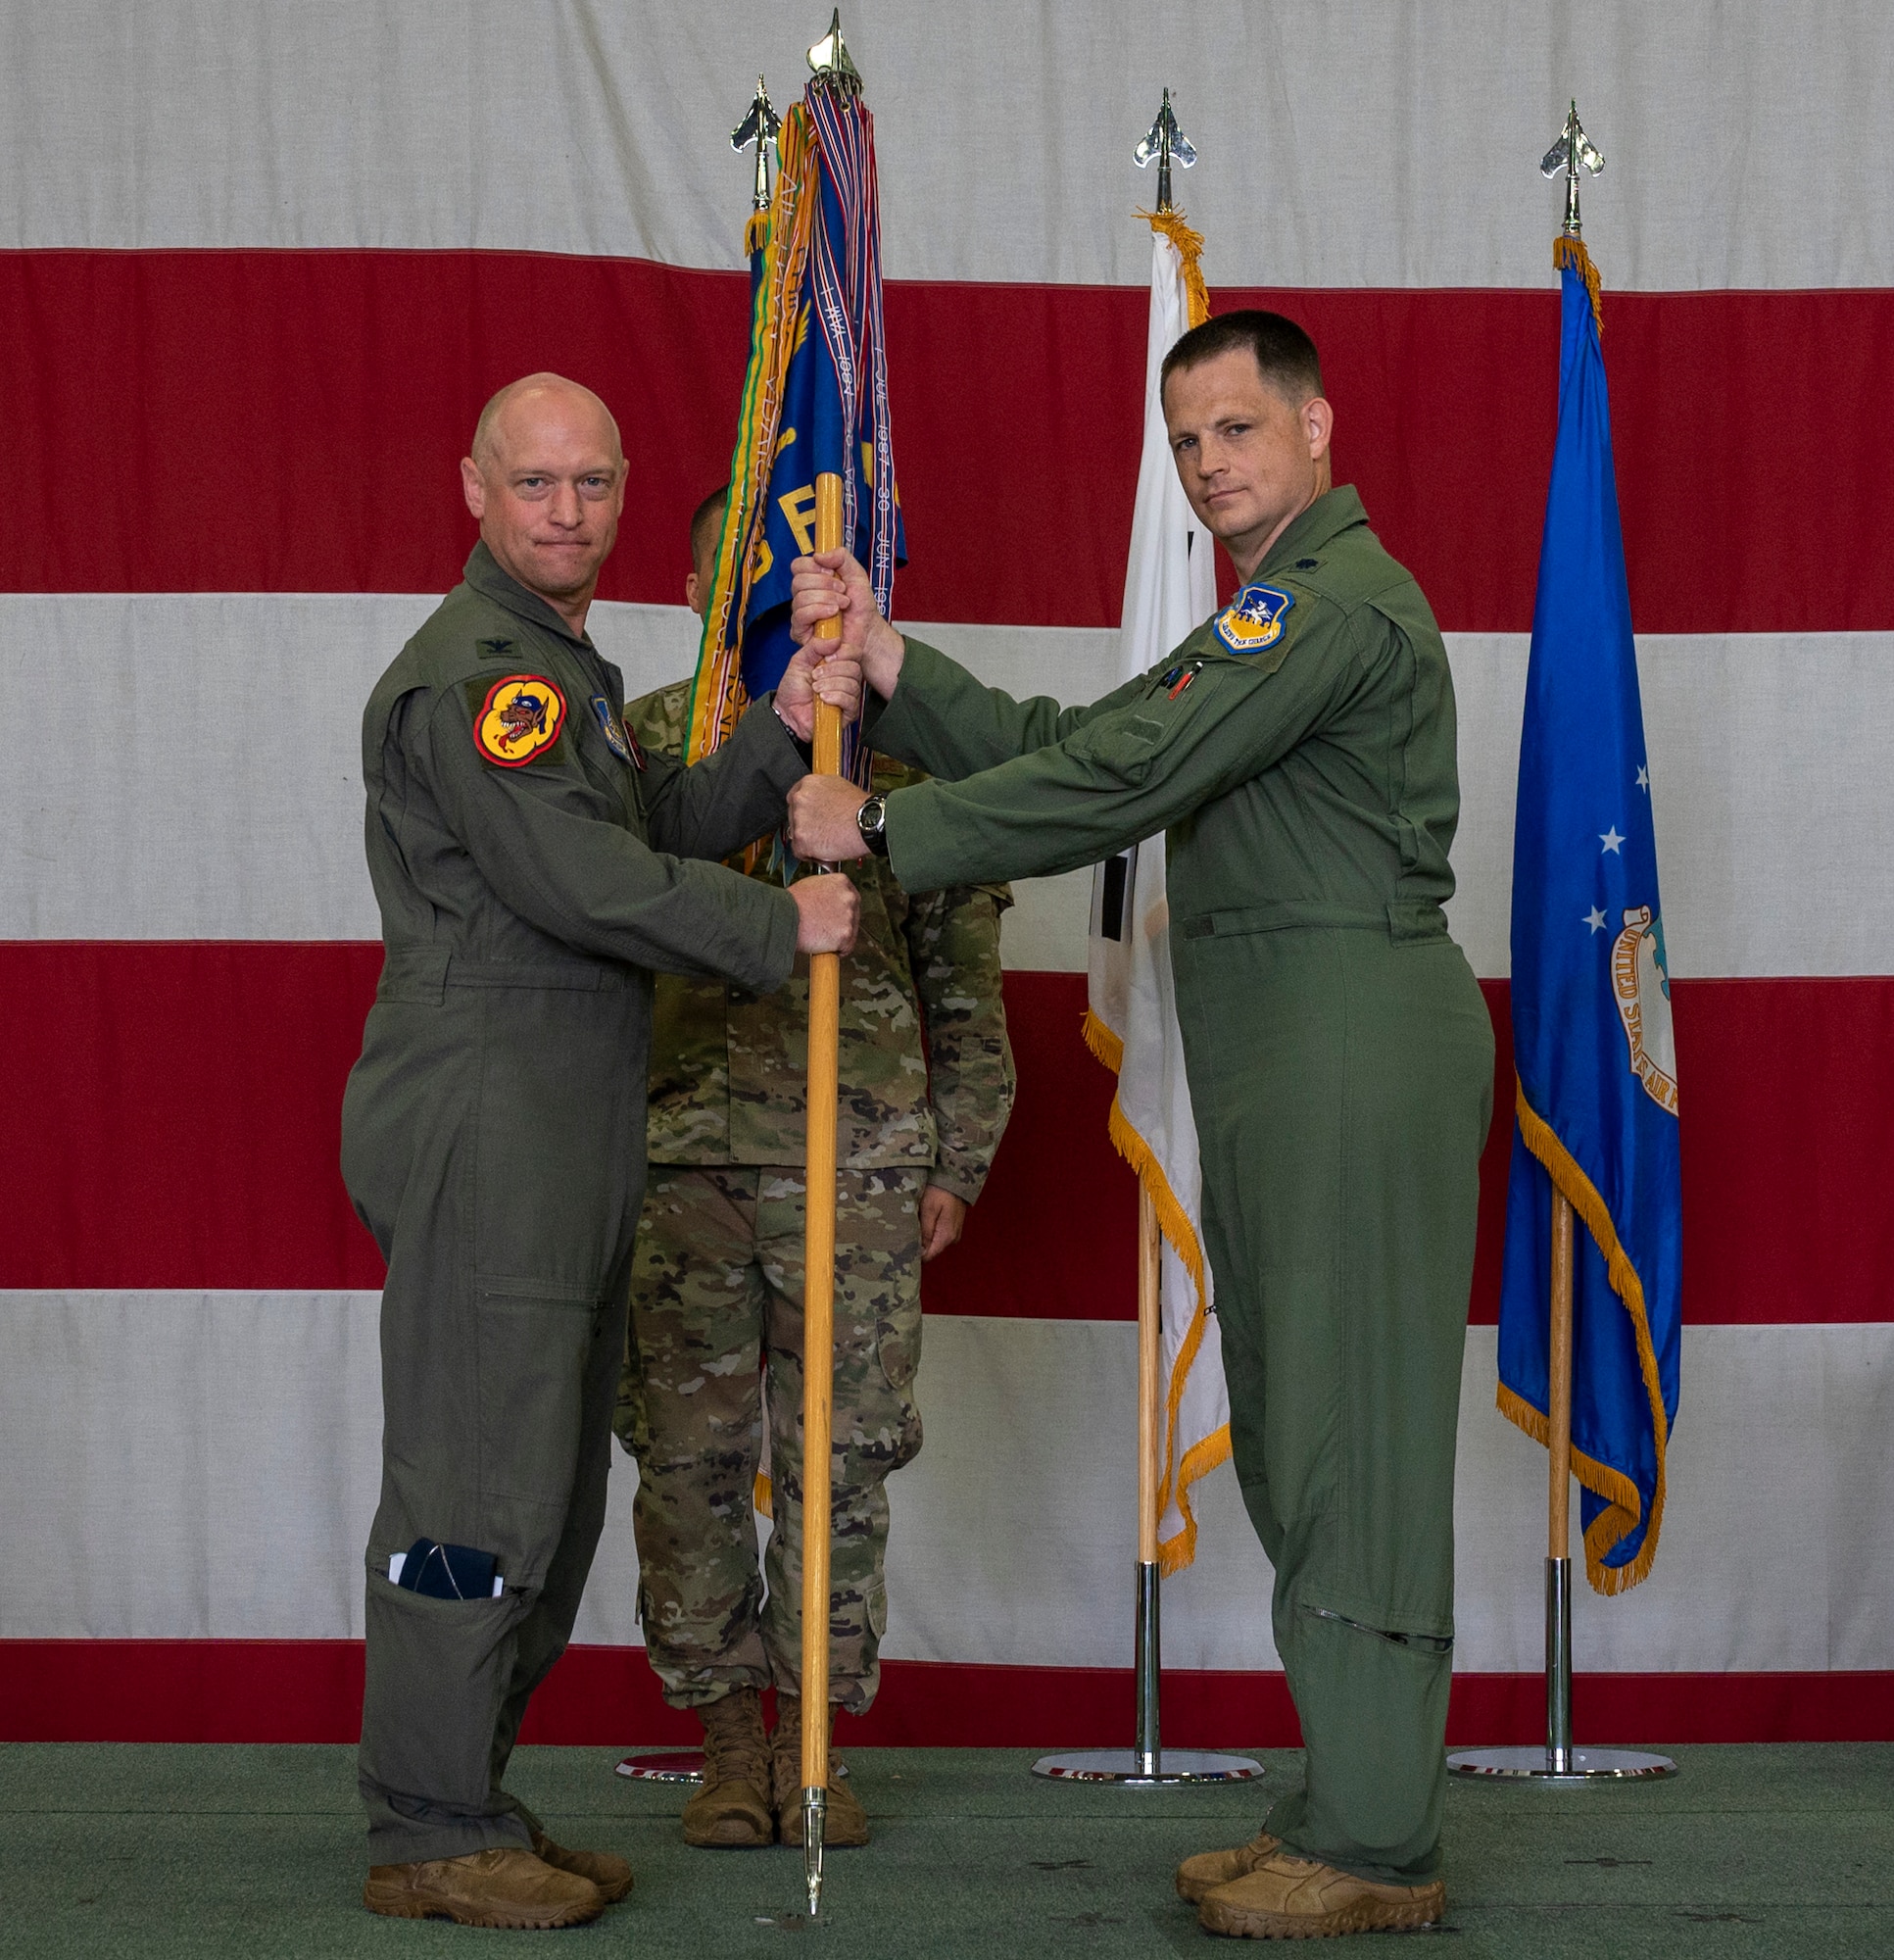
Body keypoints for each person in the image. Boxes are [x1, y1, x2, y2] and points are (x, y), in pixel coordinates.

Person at [785, 312, 1495, 1940]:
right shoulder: (1267, 613)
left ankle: (1380, 1843)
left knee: (1352, 1444)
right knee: (1300, 1424)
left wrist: (881, 821)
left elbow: (1122, 779)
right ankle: (1343, 1799)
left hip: (1343, 1040)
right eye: (1186, 442)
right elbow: (1098, 752)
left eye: (1237, 429)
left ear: (1317, 429)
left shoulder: (1332, 603)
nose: (1209, 466)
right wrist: (902, 671)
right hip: (1277, 1046)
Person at [340, 373, 861, 1931]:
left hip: (558, 1111)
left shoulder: (559, 667)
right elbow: (577, 878)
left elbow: (652, 835)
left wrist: (773, 742)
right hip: (488, 1106)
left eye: (593, 483)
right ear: (474, 489)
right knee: (474, 1484)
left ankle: (469, 1801)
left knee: (547, 1489)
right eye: (535, 484)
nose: (567, 511)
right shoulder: (481, 678)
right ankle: (427, 1823)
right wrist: (783, 921)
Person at [614, 486, 1016, 1850]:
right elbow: (589, 946)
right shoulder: (644, 741)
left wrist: (957, 1149)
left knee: (840, 1461)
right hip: (679, 1155)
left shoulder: (903, 757)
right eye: (736, 579)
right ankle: (727, 1736)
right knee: (688, 1462)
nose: (776, 603)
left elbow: (962, 977)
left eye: (797, 580)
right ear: (687, 588)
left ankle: (816, 1738)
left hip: (861, 1159)